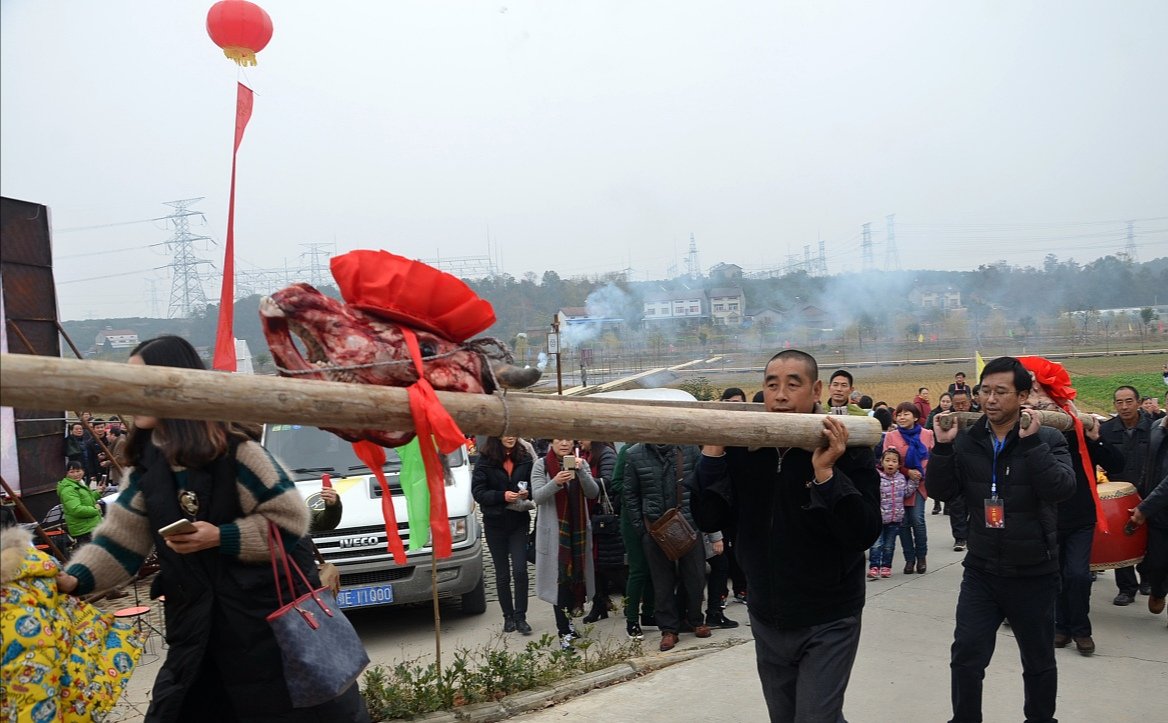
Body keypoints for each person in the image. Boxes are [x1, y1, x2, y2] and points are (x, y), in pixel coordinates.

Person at [55, 335, 370, 722]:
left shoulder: (240, 453)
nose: (129, 394)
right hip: (196, 636)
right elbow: (120, 542)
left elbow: (290, 521)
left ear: (175, 385)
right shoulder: (147, 469)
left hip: (271, 636)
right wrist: (72, 581)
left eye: (140, 382)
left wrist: (221, 537)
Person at [693, 349, 881, 722]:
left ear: (816, 390)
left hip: (829, 615)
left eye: (792, 385)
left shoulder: (848, 448)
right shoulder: (745, 448)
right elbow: (708, 515)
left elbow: (863, 532)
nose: (780, 396)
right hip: (767, 613)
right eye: (771, 385)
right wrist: (712, 455)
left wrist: (826, 475)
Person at [929, 356, 1075, 723]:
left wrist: (1031, 446)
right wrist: (943, 449)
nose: (990, 399)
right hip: (981, 571)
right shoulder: (968, 440)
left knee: (1038, 660)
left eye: (1001, 391)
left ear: (1023, 395)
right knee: (966, 656)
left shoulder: (1049, 437)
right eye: (985, 391)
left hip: (1034, 572)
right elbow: (942, 491)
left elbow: (1061, 489)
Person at [624, 440, 708, 651]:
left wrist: (698, 519)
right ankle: (669, 629)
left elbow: (702, 485)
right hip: (655, 528)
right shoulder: (634, 454)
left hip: (688, 524)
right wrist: (642, 528)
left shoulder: (688, 448)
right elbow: (630, 493)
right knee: (662, 583)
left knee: (696, 577)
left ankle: (695, 619)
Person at [1054, 404, 1124, 655]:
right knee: (1057, 576)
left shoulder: (1082, 432)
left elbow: (1116, 463)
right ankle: (1061, 627)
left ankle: (1082, 630)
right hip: (1049, 518)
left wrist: (1097, 438)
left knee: (1078, 575)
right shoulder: (1035, 433)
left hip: (1081, 518)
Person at [532, 438, 599, 651]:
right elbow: (538, 497)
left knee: (574, 581)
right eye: (559, 440)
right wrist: (556, 482)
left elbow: (593, 492)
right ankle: (564, 632)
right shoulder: (541, 465)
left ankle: (569, 625)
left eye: (568, 440)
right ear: (551, 443)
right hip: (555, 534)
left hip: (577, 531)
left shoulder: (581, 462)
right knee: (559, 583)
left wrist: (581, 472)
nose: (564, 444)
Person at [472, 435, 535, 635]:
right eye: (505, 433)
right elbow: (478, 493)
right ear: (496, 436)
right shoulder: (485, 459)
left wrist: (527, 493)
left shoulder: (525, 457)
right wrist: (502, 496)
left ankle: (521, 616)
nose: (510, 437)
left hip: (518, 521)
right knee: (502, 574)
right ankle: (507, 616)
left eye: (514, 433)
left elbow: (535, 486)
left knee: (520, 570)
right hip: (494, 523)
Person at [1100, 385, 1153, 605]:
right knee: (1122, 537)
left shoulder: (1154, 428)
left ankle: (1148, 578)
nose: (1124, 407)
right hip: (1118, 496)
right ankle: (1126, 588)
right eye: (1119, 402)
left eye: (1129, 401)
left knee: (1151, 537)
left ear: (1139, 403)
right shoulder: (1106, 430)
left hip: (1149, 492)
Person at [611, 446, 655, 640]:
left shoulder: (658, 449)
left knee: (655, 567)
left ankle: (649, 613)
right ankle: (632, 620)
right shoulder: (628, 450)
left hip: (655, 515)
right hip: (632, 518)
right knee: (638, 570)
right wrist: (642, 490)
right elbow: (616, 482)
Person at [884, 402, 934, 574]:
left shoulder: (927, 434)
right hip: (898, 484)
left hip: (919, 484)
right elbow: (887, 460)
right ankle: (909, 560)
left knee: (918, 520)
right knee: (903, 523)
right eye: (899, 414)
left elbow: (933, 459)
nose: (902, 417)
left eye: (906, 414)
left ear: (915, 417)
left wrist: (923, 475)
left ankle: (921, 557)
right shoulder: (891, 436)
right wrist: (907, 471)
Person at [1130, 414, 1167, 622]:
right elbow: (1148, 466)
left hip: (1154, 504)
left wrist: (1144, 507)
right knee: (1158, 562)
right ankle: (1159, 590)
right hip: (1158, 513)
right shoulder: (1156, 427)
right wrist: (1137, 497)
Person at [579, 439, 620, 623]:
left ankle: (628, 601)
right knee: (595, 565)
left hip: (604, 519)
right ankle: (599, 603)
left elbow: (609, 482)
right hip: (592, 518)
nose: (579, 441)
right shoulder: (586, 455)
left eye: (583, 436)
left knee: (610, 566)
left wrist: (583, 478)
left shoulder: (606, 454)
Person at [869, 449, 913, 579]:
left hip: (895, 519)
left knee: (889, 545)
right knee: (876, 544)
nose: (890, 463)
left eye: (894, 461)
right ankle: (874, 567)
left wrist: (914, 482)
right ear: (881, 462)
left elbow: (906, 493)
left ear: (899, 465)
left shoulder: (901, 478)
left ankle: (886, 566)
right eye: (887, 460)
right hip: (879, 518)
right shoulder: (877, 478)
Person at [943, 390, 975, 549]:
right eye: (957, 404)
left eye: (963, 403)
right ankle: (960, 537)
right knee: (956, 504)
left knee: (975, 502)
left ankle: (971, 532)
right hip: (954, 465)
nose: (961, 407)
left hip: (975, 466)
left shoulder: (979, 418)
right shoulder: (946, 419)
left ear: (970, 403)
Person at [57, 461, 102, 546]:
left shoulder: (78, 484)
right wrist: (96, 510)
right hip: (84, 529)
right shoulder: (68, 489)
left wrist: (97, 493)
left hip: (90, 525)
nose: (76, 474)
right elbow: (76, 509)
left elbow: (86, 500)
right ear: (67, 474)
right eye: (72, 472)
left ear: (83, 471)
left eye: (78, 471)